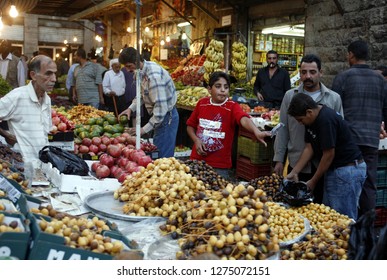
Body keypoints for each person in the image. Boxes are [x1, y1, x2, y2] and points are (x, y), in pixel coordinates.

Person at [273, 54, 343, 203]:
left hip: (322, 166)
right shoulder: (289, 96)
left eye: (312, 72)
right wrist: (278, 159)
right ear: (299, 74)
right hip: (297, 163)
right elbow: (283, 129)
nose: (308, 76)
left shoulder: (333, 98)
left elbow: (339, 133)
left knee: (320, 209)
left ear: (321, 73)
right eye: (304, 72)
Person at [286, 93, 366, 220]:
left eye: (300, 119)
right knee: (329, 217)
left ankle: (350, 240)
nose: (300, 123)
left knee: (343, 220)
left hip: (347, 171)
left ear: (309, 112)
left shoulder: (325, 120)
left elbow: (329, 154)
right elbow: (309, 148)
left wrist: (313, 181)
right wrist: (294, 171)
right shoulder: (312, 120)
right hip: (335, 171)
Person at [331, 40, 387, 216]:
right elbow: (384, 108)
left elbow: (335, 113)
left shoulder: (343, 77)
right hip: (371, 140)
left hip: (348, 141)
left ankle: (346, 225)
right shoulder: (380, 79)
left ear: (350, 55)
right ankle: (367, 228)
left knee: (345, 182)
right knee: (369, 184)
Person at [186, 71, 271, 179]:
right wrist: (196, 140)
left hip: (219, 166)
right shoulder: (202, 103)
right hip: (197, 161)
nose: (222, 90)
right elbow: (190, 126)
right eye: (218, 86)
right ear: (209, 89)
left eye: (226, 87)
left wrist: (256, 131)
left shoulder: (232, 106)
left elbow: (243, 119)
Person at [118, 47, 179, 158]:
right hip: (159, 118)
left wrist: (142, 130)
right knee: (157, 153)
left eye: (129, 66)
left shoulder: (153, 76)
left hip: (166, 119)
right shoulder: (140, 72)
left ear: (136, 62)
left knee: (162, 157)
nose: (127, 70)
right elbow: (142, 94)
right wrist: (130, 109)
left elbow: (160, 111)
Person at [0, 55, 56, 167]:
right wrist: (6, 135)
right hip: (23, 167)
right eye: (48, 74)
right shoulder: (17, 96)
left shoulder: (47, 100)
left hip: (42, 167)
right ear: (33, 75)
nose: (54, 79)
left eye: (55, 73)